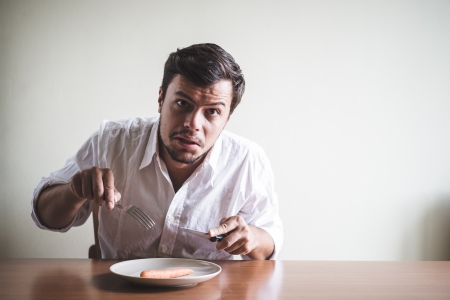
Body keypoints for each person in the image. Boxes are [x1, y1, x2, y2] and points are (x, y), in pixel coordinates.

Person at [31, 43, 283, 260]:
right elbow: (44, 215)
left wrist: (251, 237)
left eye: (213, 111)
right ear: (161, 99)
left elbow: (270, 239)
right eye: (182, 103)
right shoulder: (112, 142)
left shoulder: (248, 160)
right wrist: (74, 192)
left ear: (227, 118)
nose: (193, 123)